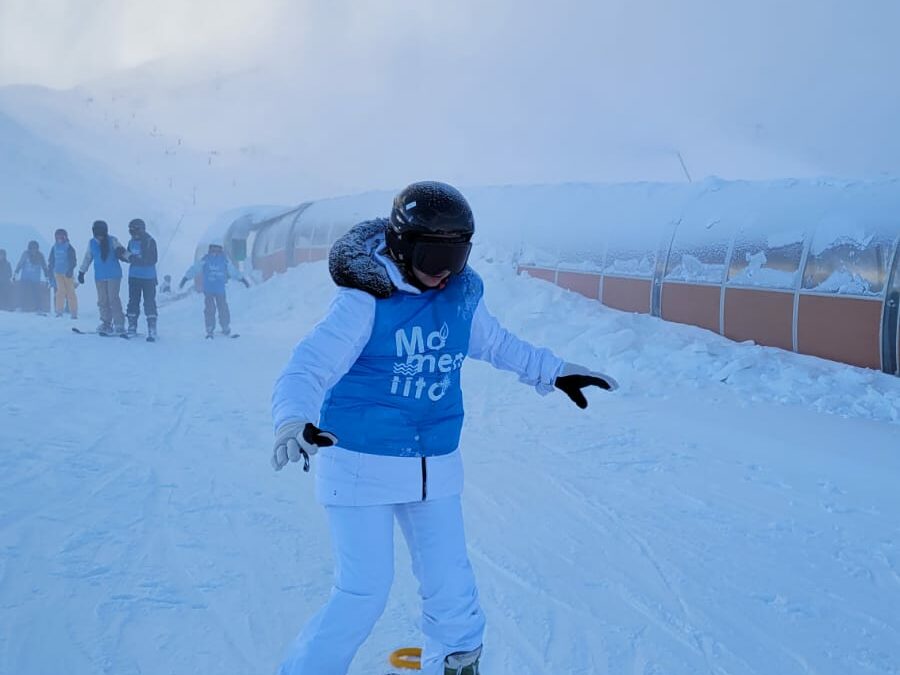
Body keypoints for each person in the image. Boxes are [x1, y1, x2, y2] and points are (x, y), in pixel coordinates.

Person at [270, 181, 619, 675]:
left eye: (455, 257)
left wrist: (554, 372)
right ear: (402, 246)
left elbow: (498, 344)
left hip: (434, 463)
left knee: (451, 585)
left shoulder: (458, 296)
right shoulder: (365, 302)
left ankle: (455, 663)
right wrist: (293, 418)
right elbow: (308, 367)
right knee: (363, 592)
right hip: (361, 463)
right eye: (433, 257)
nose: (444, 272)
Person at [179, 242, 250, 338]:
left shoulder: (224, 260)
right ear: (210, 249)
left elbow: (232, 271)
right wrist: (185, 278)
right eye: (213, 249)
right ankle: (209, 328)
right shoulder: (206, 260)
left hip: (220, 289)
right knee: (210, 309)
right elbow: (195, 269)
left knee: (223, 308)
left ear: (220, 249)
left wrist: (242, 279)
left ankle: (225, 326)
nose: (215, 252)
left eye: (217, 249)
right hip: (209, 289)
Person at [78, 220, 127, 335]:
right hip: (100, 276)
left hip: (113, 275)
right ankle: (106, 323)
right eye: (98, 233)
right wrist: (82, 272)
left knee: (113, 299)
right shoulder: (92, 243)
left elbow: (122, 252)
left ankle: (119, 324)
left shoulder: (112, 240)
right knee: (102, 300)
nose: (100, 236)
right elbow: (88, 258)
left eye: (102, 233)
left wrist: (129, 257)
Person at [124, 218, 159, 339]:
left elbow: (153, 259)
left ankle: (152, 328)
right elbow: (128, 256)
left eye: (135, 230)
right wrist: (123, 255)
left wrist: (138, 260)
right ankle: (132, 326)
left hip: (148, 277)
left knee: (149, 302)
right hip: (134, 277)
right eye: (131, 231)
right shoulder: (131, 242)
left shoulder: (150, 241)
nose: (134, 233)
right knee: (133, 301)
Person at [47, 228, 79, 319]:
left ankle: (74, 312)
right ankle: (59, 311)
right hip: (58, 273)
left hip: (67, 274)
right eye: (58, 237)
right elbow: (51, 260)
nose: (59, 239)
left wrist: (70, 270)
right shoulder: (54, 248)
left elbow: (73, 260)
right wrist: (50, 271)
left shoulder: (69, 247)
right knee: (60, 292)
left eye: (61, 237)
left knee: (70, 292)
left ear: (65, 237)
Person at [14, 240, 50, 312]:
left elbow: (44, 267)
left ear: (37, 249)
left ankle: (38, 307)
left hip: (35, 279)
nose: (33, 250)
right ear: (29, 248)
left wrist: (47, 277)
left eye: (35, 248)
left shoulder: (40, 256)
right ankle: (21, 306)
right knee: (23, 291)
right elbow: (20, 264)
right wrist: (15, 273)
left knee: (36, 292)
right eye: (32, 248)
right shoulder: (25, 254)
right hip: (25, 278)